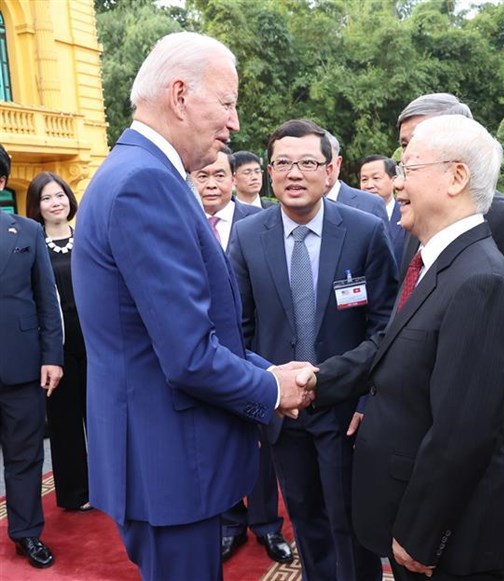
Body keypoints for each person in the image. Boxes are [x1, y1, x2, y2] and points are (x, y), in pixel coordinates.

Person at [71, 32, 315, 581]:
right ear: (180, 95)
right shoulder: (144, 184)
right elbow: (188, 354)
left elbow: (185, 332)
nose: (233, 123)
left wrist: (265, 370)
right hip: (171, 466)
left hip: (164, 457)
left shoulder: (141, 173)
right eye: (227, 103)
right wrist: (273, 388)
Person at [313, 115, 504, 580]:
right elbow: (395, 350)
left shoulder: (480, 280)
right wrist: (314, 381)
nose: (397, 183)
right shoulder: (435, 259)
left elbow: (462, 433)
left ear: (456, 177)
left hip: (446, 546)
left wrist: (422, 533)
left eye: (408, 168)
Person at [228, 119, 398, 581]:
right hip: (284, 413)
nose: (294, 173)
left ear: (331, 169)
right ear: (268, 171)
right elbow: (238, 329)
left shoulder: (364, 231)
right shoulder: (247, 236)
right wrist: (267, 389)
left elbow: (385, 326)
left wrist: (364, 397)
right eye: (282, 163)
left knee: (351, 524)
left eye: (308, 162)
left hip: (347, 411)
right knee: (307, 522)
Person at [397, 93, 504, 521]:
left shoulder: (503, 218)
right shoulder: (416, 220)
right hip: (431, 411)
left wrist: (503, 427)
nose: (405, 158)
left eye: (417, 144)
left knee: (482, 527)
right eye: (405, 144)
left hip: (491, 417)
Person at [192, 149, 292, 563]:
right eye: (203, 176)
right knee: (222, 441)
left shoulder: (260, 224)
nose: (211, 184)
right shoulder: (184, 222)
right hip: (205, 354)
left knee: (263, 446)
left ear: (233, 179)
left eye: (219, 175)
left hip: (257, 353)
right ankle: (230, 523)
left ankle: (267, 525)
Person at [0, 144, 63, 569]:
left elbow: (46, 299)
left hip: (21, 366)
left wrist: (52, 355)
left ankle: (26, 533)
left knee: (25, 456)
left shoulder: (27, 231)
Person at [25, 172, 90, 513]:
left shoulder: (87, 238)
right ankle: (75, 492)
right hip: (57, 348)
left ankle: (110, 485)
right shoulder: (32, 245)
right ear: (36, 205)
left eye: (60, 195)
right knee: (65, 423)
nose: (56, 203)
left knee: (99, 419)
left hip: (95, 342)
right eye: (47, 198)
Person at [324, 131, 389, 226]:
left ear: (338, 163)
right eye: (309, 162)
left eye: (326, 160)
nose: (320, 166)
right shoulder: (297, 205)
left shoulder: (371, 205)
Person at [359, 154, 406, 268]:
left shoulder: (407, 214)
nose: (369, 185)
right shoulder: (355, 218)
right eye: (364, 180)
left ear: (393, 180)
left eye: (376, 178)